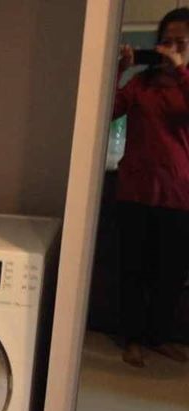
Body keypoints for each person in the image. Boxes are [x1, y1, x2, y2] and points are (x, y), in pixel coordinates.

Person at [113, 8, 189, 367]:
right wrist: (119, 70)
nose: (170, 48)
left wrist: (181, 70)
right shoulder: (141, 84)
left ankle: (158, 338)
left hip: (179, 196)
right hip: (135, 191)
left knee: (170, 276)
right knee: (133, 271)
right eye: (166, 41)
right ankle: (132, 339)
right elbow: (107, 111)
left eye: (180, 42)